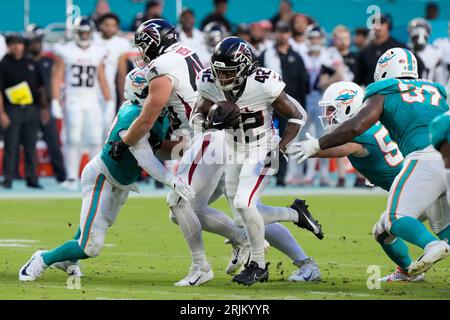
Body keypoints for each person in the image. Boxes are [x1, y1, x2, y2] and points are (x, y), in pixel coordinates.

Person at [18, 67, 195, 282]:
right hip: (102, 177)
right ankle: (42, 258)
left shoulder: (159, 114)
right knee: (91, 246)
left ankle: (67, 260)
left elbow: (159, 149)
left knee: (95, 227)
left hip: (121, 182)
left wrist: (187, 147)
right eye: (150, 91)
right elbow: (145, 157)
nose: (157, 95)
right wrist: (171, 180)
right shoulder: (133, 114)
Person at [287, 47, 450, 276]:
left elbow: (351, 133)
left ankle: (431, 246)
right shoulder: (434, 89)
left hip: (423, 163)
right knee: (438, 226)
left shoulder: (382, 93)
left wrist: (314, 146)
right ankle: (408, 272)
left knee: (395, 219)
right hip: (445, 157)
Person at [191, 36, 311, 285]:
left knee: (245, 205)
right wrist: (208, 124)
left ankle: (258, 265)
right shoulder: (209, 81)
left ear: (245, 67)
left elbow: (297, 115)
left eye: (229, 72)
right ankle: (294, 215)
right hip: (233, 149)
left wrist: (281, 146)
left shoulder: (263, 83)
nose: (222, 78)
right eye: (219, 72)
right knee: (242, 216)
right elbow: (197, 115)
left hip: (262, 147)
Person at [52, 17, 114, 191]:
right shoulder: (66, 51)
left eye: (87, 32)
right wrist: (55, 101)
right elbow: (57, 77)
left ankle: (93, 176)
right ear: (76, 33)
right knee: (73, 138)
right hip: (73, 97)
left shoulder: (97, 51)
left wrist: (109, 101)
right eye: (82, 32)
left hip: (91, 98)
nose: (85, 36)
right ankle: (71, 177)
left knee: (95, 138)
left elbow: (102, 78)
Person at [259, 21, 308, 186]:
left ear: (290, 35)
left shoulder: (296, 55)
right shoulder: (266, 53)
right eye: (280, 31)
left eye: (286, 32)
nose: (283, 35)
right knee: (268, 137)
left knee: (286, 138)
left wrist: (301, 105)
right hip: (269, 104)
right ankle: (266, 172)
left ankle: (282, 176)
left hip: (289, 105)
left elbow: (302, 82)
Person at [0, 34, 47, 189]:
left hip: (31, 108)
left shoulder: (31, 63)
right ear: (8, 46)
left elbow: (40, 87)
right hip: (12, 108)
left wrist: (44, 108)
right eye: (13, 44)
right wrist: (2, 113)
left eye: (19, 44)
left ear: (24, 46)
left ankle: (31, 178)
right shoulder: (3, 64)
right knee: (10, 145)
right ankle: (8, 178)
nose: (16, 47)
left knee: (30, 145)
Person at [26, 25, 67, 183]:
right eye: (33, 41)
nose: (36, 44)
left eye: (38, 41)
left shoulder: (49, 62)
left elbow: (53, 84)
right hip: (28, 106)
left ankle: (61, 175)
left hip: (46, 106)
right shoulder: (24, 62)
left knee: (53, 142)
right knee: (27, 142)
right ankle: (25, 176)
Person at [93, 13, 133, 137]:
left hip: (109, 91)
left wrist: (123, 97)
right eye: (106, 25)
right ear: (100, 25)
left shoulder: (121, 43)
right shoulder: (93, 39)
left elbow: (121, 73)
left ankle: (102, 156)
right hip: (90, 90)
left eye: (113, 25)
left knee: (107, 128)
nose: (110, 28)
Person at [355, 14, 406, 87]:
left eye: (381, 23)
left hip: (394, 91)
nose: (378, 26)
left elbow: (417, 65)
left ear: (388, 25)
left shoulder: (399, 47)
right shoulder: (365, 51)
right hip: (372, 94)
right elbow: (358, 78)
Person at [407, 18, 445, 84]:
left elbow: (440, 79)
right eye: (415, 37)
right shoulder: (407, 51)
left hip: (430, 89)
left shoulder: (435, 53)